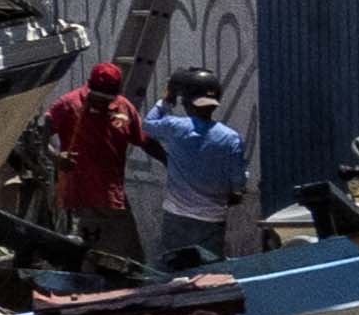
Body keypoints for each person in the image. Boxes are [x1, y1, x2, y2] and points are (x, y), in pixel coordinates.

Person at [144, 69, 255, 267]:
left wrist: (167, 100)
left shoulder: (175, 127)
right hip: (212, 219)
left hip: (176, 216)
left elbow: (148, 124)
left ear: (186, 101)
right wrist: (235, 192)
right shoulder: (230, 138)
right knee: (208, 272)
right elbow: (238, 181)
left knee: (174, 271)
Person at [49, 58, 146, 265]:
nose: (101, 102)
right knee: (85, 255)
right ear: (88, 86)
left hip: (112, 198)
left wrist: (168, 161)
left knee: (129, 257)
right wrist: (56, 157)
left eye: (107, 98)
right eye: (97, 97)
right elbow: (39, 135)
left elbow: (143, 139)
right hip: (79, 197)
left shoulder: (124, 108)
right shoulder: (68, 105)